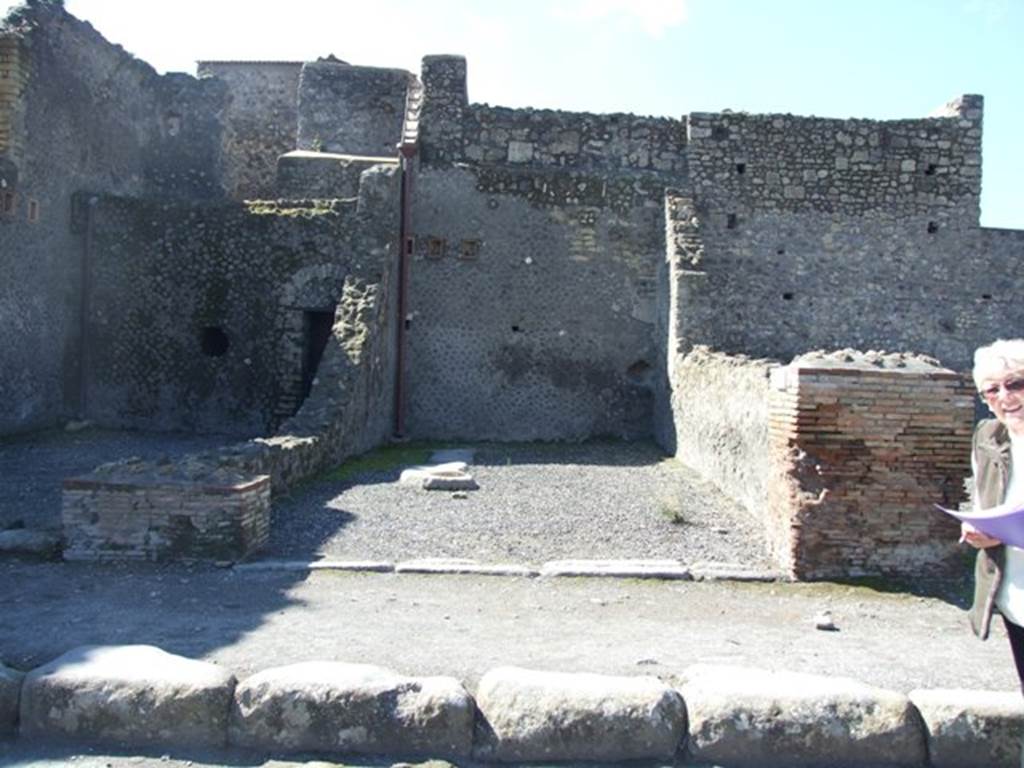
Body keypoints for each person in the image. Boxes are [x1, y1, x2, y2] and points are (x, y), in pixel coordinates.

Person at [963, 338, 1024, 692]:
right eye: (991, 390)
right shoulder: (988, 436)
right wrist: (976, 527)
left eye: (1015, 383)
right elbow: (984, 503)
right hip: (1014, 596)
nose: (1005, 397)